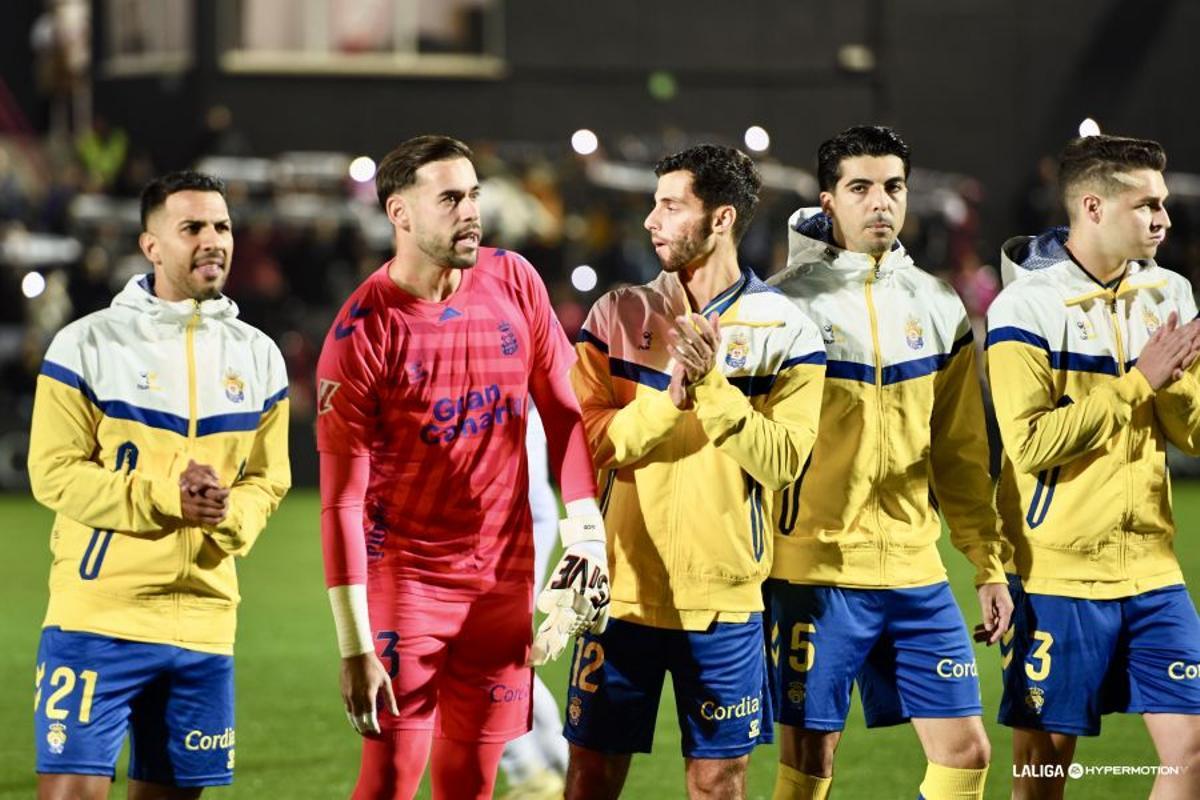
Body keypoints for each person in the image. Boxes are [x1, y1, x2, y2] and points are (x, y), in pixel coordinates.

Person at [315, 135, 609, 800]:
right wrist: (355, 644)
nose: (470, 211)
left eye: (474, 195)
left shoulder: (515, 280)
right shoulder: (363, 332)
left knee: (472, 780)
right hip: (408, 578)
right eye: (450, 198)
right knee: (391, 778)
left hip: (503, 578)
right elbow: (340, 502)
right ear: (401, 213)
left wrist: (587, 531)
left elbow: (563, 413)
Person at [565, 144, 826, 800]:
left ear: (720, 219)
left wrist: (711, 389)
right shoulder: (616, 317)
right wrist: (668, 399)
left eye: (671, 205)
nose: (652, 219)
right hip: (619, 594)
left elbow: (782, 461)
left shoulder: (788, 331)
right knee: (590, 779)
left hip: (726, 598)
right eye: (655, 204)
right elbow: (587, 444)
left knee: (718, 784)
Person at [28, 170, 291, 799]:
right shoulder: (87, 344)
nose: (213, 240)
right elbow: (54, 473)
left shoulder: (259, 356)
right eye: (193, 227)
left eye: (222, 227)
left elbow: (268, 478)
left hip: (204, 623)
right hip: (98, 619)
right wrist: (165, 498)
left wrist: (228, 515)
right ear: (152, 247)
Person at [765, 125, 1011, 800]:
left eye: (894, 187)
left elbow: (961, 454)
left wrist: (987, 564)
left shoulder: (936, 304)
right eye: (861, 188)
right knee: (810, 765)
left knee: (966, 753)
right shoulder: (783, 305)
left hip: (914, 570)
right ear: (829, 200)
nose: (881, 202)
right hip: (812, 572)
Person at [987, 134, 1200, 799]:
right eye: (1148, 206)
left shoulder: (1170, 291)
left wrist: (1180, 383)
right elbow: (1030, 444)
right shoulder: (1024, 306)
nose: (1164, 219)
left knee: (1191, 753)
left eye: (1163, 205)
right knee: (1043, 777)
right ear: (1093, 207)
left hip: (1153, 570)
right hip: (1057, 574)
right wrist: (1140, 380)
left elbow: (1190, 434)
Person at [498, 404, 570, 800]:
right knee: (505, 664)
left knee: (494, 663)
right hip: (511, 529)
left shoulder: (512, 359)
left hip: (513, 534)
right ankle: (555, 771)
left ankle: (538, 775)